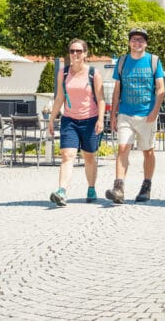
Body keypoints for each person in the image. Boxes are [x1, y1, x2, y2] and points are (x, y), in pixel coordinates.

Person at [105, 27, 165, 204]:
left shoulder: (153, 61)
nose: (137, 42)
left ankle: (146, 186)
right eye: (134, 39)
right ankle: (119, 188)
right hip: (125, 113)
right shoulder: (122, 61)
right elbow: (117, 90)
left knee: (148, 151)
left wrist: (154, 111)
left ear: (145, 43)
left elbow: (160, 89)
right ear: (130, 42)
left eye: (140, 40)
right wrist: (114, 114)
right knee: (123, 148)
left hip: (147, 114)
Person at [47, 38, 105, 206]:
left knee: (89, 157)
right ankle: (62, 191)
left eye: (79, 51)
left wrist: (101, 120)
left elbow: (101, 99)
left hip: (90, 120)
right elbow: (59, 98)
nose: (75, 54)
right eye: (72, 51)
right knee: (67, 155)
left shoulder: (94, 73)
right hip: (69, 120)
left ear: (85, 54)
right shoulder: (63, 73)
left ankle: (91, 188)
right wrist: (52, 119)